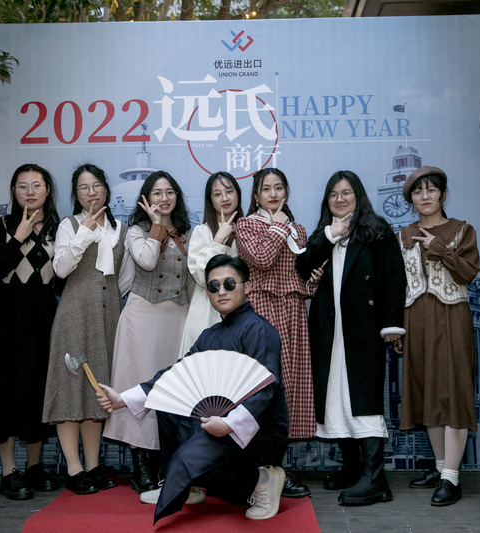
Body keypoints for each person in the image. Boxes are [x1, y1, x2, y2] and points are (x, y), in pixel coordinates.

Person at [97, 254, 288, 524]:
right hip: (220, 423)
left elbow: (263, 392)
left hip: (257, 431)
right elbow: (177, 375)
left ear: (247, 285)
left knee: (189, 461)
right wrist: (123, 400)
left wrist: (230, 424)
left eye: (229, 284)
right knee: (167, 406)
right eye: (213, 286)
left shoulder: (259, 330)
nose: (221, 291)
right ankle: (189, 486)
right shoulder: (209, 335)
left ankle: (261, 480)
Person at [296, 170, 406, 506]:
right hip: (329, 330)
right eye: (333, 194)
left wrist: (391, 324)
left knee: (364, 398)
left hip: (363, 328)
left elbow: (393, 279)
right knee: (335, 395)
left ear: (358, 196)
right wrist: (330, 236)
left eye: (346, 193)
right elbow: (303, 267)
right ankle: (353, 467)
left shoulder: (377, 231)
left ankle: (375, 479)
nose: (340, 199)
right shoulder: (324, 233)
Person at [0, 163, 61, 500]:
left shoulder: (58, 228)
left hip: (43, 317)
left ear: (47, 190)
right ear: (14, 191)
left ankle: (34, 466)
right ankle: (8, 471)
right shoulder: (1, 225)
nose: (30, 191)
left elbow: (62, 277)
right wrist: (20, 235)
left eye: (37, 185)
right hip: (5, 318)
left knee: (37, 389)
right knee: (3, 391)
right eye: (23, 186)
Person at [42, 164, 132, 495]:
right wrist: (84, 232)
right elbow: (61, 268)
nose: (91, 192)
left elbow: (125, 278)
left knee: (98, 391)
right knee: (71, 388)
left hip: (108, 317)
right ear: (76, 195)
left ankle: (93, 466)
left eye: (96, 185)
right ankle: (74, 469)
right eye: (83, 187)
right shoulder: (69, 225)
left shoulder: (122, 229)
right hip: (75, 313)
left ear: (106, 189)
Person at [102, 170, 192, 494]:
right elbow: (148, 261)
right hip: (141, 318)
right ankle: (141, 466)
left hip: (177, 319)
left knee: (169, 391)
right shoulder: (137, 231)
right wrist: (156, 225)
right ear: (146, 198)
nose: (163, 198)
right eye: (157, 193)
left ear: (177, 196)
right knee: (137, 388)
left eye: (169, 192)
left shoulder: (189, 233)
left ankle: (166, 464)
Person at [397, 166, 480, 507]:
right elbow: (399, 285)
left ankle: (451, 478)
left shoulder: (462, 230)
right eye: (418, 192)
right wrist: (397, 328)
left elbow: (468, 274)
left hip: (450, 317)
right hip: (416, 319)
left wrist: (440, 247)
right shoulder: (403, 235)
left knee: (453, 391)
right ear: (411, 200)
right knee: (426, 391)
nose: (425, 196)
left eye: (431, 190)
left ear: (443, 195)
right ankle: (440, 466)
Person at [234, 167, 317, 498]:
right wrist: (279, 226)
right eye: (266, 188)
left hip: (293, 309)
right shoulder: (246, 224)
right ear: (256, 195)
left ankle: (279, 467)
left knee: (292, 386)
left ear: (286, 192)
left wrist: (313, 281)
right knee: (264, 385)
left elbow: (299, 272)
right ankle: (262, 468)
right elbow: (262, 259)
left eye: (278, 187)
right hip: (261, 308)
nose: (273, 194)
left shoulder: (298, 229)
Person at [178, 171, 243, 358]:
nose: (224, 198)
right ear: (210, 199)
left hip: (241, 313)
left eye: (229, 191)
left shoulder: (248, 229)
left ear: (238, 193)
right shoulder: (202, 231)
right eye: (217, 194)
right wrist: (218, 242)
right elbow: (201, 276)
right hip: (207, 313)